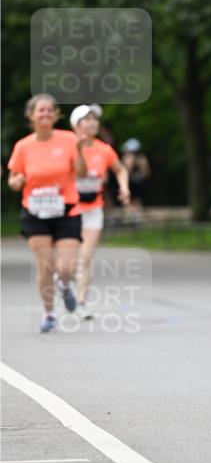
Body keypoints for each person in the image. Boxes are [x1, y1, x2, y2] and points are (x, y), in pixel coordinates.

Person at [7, 94, 87, 333]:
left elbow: (81, 174)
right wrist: (17, 180)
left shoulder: (69, 140)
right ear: (31, 115)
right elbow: (12, 180)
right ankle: (49, 313)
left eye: (50, 110)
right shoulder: (23, 146)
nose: (45, 114)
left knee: (66, 268)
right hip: (35, 212)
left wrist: (81, 150)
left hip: (66, 210)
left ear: (56, 115)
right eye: (40, 110)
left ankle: (64, 285)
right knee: (45, 266)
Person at [70, 105, 131, 319]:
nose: (93, 123)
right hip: (68, 210)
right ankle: (64, 285)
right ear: (76, 124)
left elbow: (120, 169)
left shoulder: (103, 149)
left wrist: (124, 187)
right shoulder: (66, 145)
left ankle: (81, 302)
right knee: (67, 260)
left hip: (93, 209)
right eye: (87, 119)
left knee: (85, 257)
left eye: (95, 119)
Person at [120, 138, 151, 212]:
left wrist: (141, 166)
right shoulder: (126, 158)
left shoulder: (142, 159)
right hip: (128, 185)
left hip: (138, 185)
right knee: (127, 203)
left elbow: (147, 174)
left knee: (137, 203)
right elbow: (125, 174)